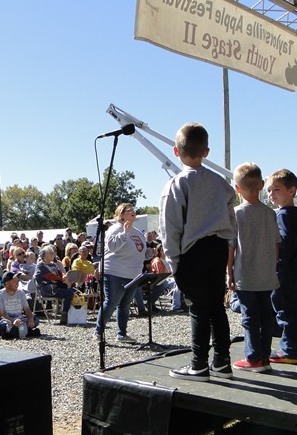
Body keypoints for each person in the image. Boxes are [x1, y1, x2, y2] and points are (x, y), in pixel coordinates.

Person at [160, 123, 237, 381]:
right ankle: (222, 362)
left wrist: (174, 262)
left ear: (175, 151)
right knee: (216, 305)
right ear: (206, 151)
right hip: (217, 248)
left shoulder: (176, 184)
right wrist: (228, 245)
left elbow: (170, 227)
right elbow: (231, 219)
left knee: (198, 308)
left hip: (192, 251)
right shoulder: (221, 184)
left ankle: (198, 364)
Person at [227, 163, 280, 372]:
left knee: (250, 317)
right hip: (267, 275)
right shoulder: (270, 213)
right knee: (267, 316)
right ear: (261, 185)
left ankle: (252, 358)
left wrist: (228, 273)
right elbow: (276, 245)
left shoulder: (236, 214)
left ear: (237, 188)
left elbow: (230, 247)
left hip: (245, 275)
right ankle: (264, 356)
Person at [266, 169, 297, 364]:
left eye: (276, 189)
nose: (271, 194)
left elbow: (283, 240)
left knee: (284, 309)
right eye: (269, 190)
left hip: (283, 268)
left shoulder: (282, 215)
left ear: (291, 190)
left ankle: (289, 350)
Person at [93, 203, 146, 344]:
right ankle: (98, 331)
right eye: (129, 210)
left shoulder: (138, 232)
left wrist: (148, 253)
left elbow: (139, 250)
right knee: (111, 303)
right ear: (121, 215)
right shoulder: (115, 229)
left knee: (125, 305)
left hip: (133, 275)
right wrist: (124, 233)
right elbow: (113, 247)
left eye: (133, 209)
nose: (133, 211)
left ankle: (122, 334)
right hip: (115, 273)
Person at [34, 245, 76, 325]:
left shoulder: (53, 264)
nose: (54, 255)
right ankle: (65, 314)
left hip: (56, 287)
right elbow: (50, 276)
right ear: (45, 255)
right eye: (51, 253)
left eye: (53, 253)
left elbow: (61, 273)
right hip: (47, 289)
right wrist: (63, 280)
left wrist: (64, 277)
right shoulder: (41, 265)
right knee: (69, 292)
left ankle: (66, 314)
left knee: (72, 291)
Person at [0, 271, 40, 339]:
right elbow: (1, 316)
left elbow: (27, 309)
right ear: (7, 284)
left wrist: (30, 319)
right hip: (7, 321)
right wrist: (13, 321)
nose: (17, 283)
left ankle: (13, 333)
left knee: (36, 319)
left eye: (17, 280)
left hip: (20, 320)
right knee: (1, 326)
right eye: (14, 281)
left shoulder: (21, 293)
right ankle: (27, 332)